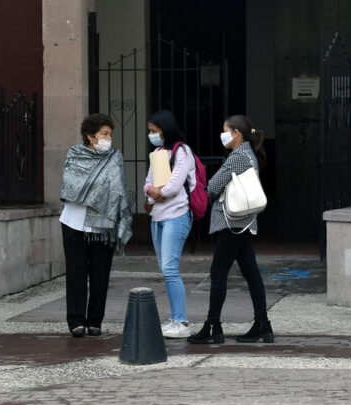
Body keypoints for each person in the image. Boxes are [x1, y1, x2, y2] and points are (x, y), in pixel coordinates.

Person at [187, 114, 272, 344]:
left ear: (236, 133)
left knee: (218, 273)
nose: (222, 135)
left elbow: (213, 186)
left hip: (231, 223)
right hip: (242, 224)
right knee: (251, 273)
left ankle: (213, 326)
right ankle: (262, 324)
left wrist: (196, 189)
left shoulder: (238, 156)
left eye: (225, 130)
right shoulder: (247, 154)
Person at [59, 113, 133, 337]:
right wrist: (99, 191)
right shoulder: (74, 154)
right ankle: (76, 321)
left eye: (109, 134)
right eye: (104, 134)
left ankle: (95, 321)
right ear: (90, 136)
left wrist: (97, 192)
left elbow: (119, 189)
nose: (108, 138)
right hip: (74, 222)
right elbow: (71, 185)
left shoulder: (115, 157)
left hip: (104, 226)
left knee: (101, 275)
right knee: (76, 273)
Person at [143, 110, 196, 339]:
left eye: (154, 131)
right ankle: (175, 317)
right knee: (165, 270)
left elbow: (173, 187)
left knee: (170, 269)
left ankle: (181, 322)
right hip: (158, 218)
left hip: (176, 215)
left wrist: (153, 195)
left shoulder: (182, 151)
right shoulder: (157, 152)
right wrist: (152, 193)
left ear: (165, 129)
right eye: (150, 131)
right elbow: (147, 183)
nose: (151, 135)